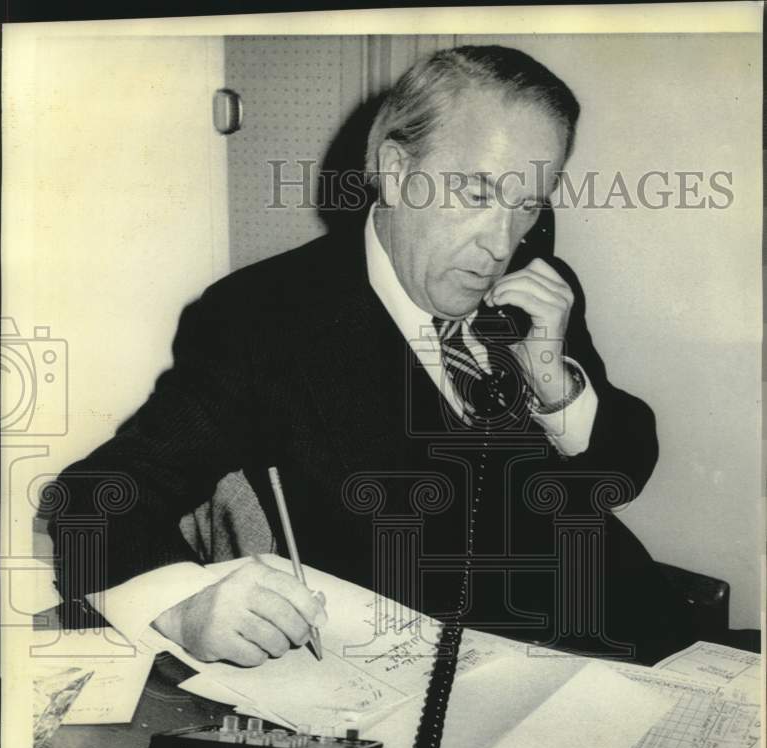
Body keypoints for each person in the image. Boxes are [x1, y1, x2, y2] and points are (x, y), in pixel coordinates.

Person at [47, 45, 692, 668]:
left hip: (632, 640)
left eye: (527, 205)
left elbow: (623, 469)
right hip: (435, 686)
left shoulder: (538, 285)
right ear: (396, 171)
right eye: (476, 195)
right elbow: (95, 501)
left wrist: (554, 382)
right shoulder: (261, 319)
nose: (502, 244)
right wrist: (184, 607)